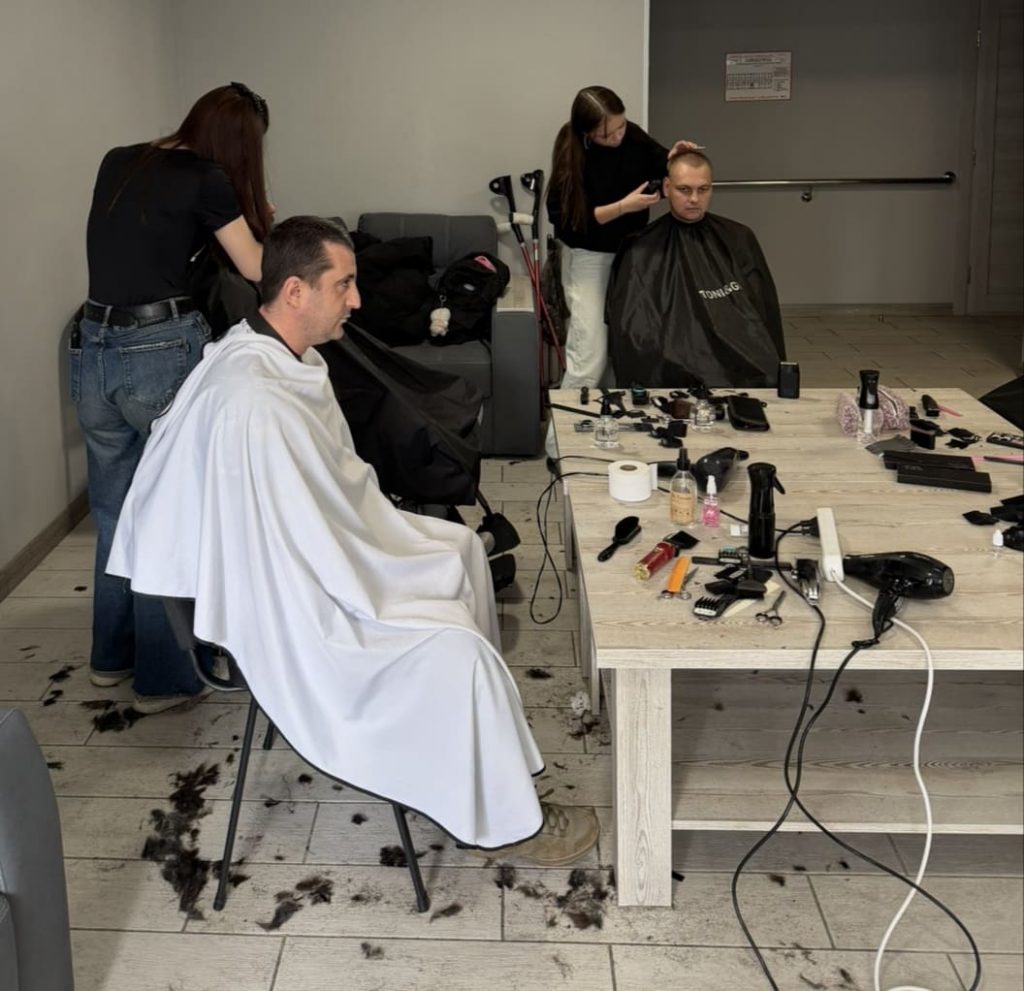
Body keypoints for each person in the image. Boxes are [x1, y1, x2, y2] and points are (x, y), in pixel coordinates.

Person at [106, 216, 600, 861]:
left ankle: (463, 760)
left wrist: (382, 544)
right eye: (344, 284)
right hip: (288, 606)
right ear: (295, 292)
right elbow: (287, 553)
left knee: (459, 553)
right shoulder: (251, 401)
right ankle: (506, 821)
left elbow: (323, 502)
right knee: (457, 650)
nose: (358, 300)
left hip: (315, 557)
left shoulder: (279, 355)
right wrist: (377, 584)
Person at [73, 83, 273, 713]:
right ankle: (163, 679)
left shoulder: (118, 161)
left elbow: (142, 241)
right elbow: (257, 269)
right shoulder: (208, 180)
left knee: (114, 513)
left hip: (92, 346)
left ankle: (110, 659)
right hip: (156, 351)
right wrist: (261, 214)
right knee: (168, 512)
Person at [546, 84, 699, 391]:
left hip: (632, 253)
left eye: (621, 127)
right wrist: (623, 207)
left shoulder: (632, 136)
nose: (617, 137)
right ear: (587, 133)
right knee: (589, 355)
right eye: (606, 134)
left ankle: (608, 416)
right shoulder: (571, 152)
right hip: (589, 257)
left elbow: (661, 163)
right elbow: (568, 223)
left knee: (624, 347)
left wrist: (674, 157)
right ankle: (564, 423)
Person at [607, 150, 786, 388]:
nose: (694, 199)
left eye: (703, 189)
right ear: (667, 187)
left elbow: (762, 312)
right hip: (670, 362)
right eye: (684, 189)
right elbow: (633, 325)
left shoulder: (738, 237)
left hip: (735, 356)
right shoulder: (641, 246)